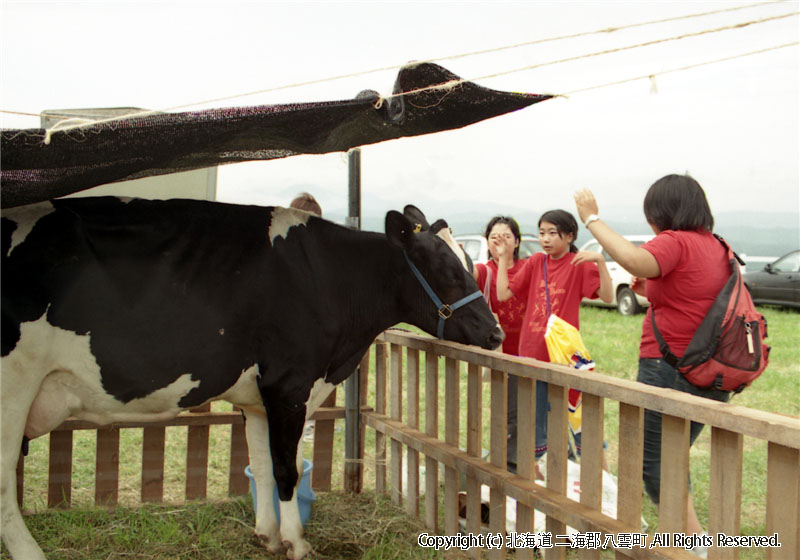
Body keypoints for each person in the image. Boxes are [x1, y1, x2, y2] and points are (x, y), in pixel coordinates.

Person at [573, 174, 732, 547]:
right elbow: (692, 297)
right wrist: (655, 290)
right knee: (669, 457)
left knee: (656, 461)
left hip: (671, 368)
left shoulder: (675, 240)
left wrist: (591, 218)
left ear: (661, 212)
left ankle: (692, 545)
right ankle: (685, 538)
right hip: (710, 369)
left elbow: (635, 259)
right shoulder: (716, 245)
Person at [494, 209, 612, 476]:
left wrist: (601, 263)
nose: (545, 239)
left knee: (579, 422)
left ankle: (602, 482)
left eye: (552, 233)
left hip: (564, 358)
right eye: (541, 232)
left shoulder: (579, 264)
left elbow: (606, 296)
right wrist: (502, 258)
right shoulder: (536, 262)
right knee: (535, 427)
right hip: (531, 355)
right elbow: (503, 294)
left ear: (570, 236)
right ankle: (543, 484)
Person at [470, 216, 528, 474]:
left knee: (539, 410)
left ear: (517, 241)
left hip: (532, 351)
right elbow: (467, 272)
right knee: (510, 413)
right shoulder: (484, 271)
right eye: (494, 236)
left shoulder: (528, 267)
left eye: (506, 236)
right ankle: (511, 465)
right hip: (503, 353)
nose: (500, 241)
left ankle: (528, 459)